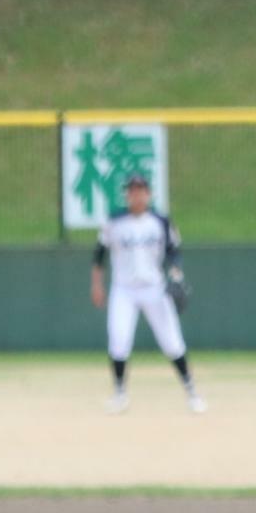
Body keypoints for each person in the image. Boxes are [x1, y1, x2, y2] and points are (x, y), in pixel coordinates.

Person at [90, 173, 203, 415]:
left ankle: (192, 392)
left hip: (154, 288)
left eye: (141, 189)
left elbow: (174, 252)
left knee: (172, 342)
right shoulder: (114, 221)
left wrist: (175, 273)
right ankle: (120, 394)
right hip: (124, 290)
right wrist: (97, 285)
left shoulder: (161, 221)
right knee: (119, 341)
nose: (137, 194)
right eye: (132, 190)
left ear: (148, 194)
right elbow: (98, 255)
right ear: (127, 194)